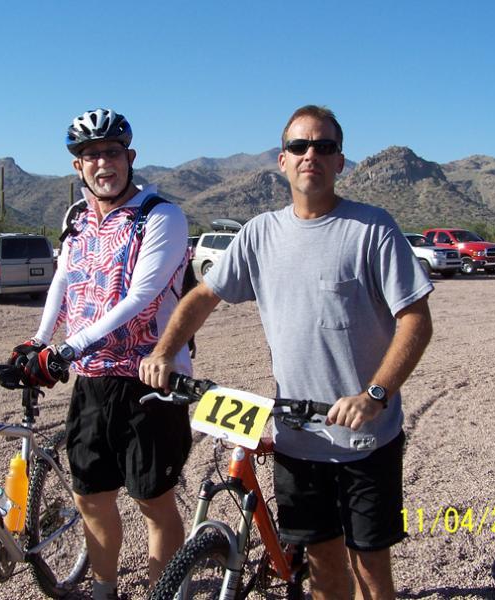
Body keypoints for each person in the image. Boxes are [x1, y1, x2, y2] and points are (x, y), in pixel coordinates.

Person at [140, 105, 434, 600]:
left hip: (366, 438)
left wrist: (375, 394)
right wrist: (164, 351)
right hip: (297, 439)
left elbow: (416, 320)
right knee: (321, 565)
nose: (310, 155)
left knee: (371, 570)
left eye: (324, 146)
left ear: (341, 161)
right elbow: (203, 295)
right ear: (282, 160)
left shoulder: (372, 228)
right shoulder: (259, 234)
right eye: (299, 146)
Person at [9, 108, 193, 600]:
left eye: (112, 152)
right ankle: (105, 590)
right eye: (91, 155)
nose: (102, 163)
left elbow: (143, 296)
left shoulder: (161, 215)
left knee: (154, 502)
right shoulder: (77, 220)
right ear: (78, 167)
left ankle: (162, 593)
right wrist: (39, 338)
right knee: (91, 497)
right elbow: (63, 279)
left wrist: (67, 347)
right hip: (92, 377)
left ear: (130, 158)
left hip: (150, 379)